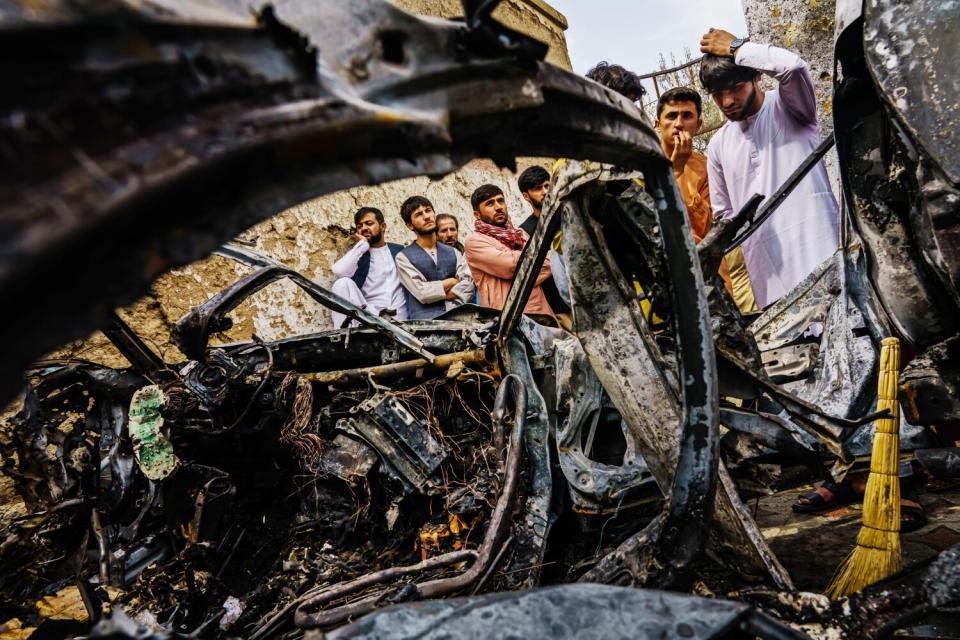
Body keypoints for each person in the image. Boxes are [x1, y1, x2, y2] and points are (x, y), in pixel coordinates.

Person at [699, 29, 840, 309]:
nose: (727, 102)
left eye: (735, 88)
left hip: (823, 259)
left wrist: (738, 47)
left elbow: (793, 67)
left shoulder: (790, 109)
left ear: (756, 76)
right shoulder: (717, 146)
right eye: (717, 94)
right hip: (769, 280)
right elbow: (725, 216)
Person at [654, 86, 757, 311]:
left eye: (687, 116)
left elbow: (706, 230)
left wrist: (679, 172)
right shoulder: (642, 165)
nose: (679, 123)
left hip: (707, 281)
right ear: (658, 124)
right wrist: (675, 171)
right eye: (671, 116)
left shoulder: (707, 166)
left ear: (698, 124)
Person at [464, 184, 554, 318]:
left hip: (540, 312)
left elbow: (549, 264)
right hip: (506, 319)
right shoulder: (474, 242)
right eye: (490, 204)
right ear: (477, 214)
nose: (498, 207)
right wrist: (536, 262)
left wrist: (531, 266)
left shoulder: (520, 235)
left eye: (500, 201)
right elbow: (512, 266)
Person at [394, 196, 475, 320]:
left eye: (428, 210)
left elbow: (468, 286)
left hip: (458, 322)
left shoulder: (454, 252)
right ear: (410, 225)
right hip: (425, 327)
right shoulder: (403, 257)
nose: (426, 216)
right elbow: (423, 293)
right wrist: (452, 281)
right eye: (419, 214)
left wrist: (436, 294)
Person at [330, 207, 406, 328]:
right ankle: (342, 337)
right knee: (341, 283)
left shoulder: (400, 251)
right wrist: (362, 246)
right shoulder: (358, 255)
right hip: (370, 317)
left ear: (383, 226)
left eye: (369, 223)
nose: (364, 228)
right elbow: (339, 271)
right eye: (359, 226)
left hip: (401, 317)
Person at [516, 166, 573, 323]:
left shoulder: (570, 213)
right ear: (526, 196)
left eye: (547, 185)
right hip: (561, 309)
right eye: (538, 188)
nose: (545, 191)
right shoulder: (525, 231)